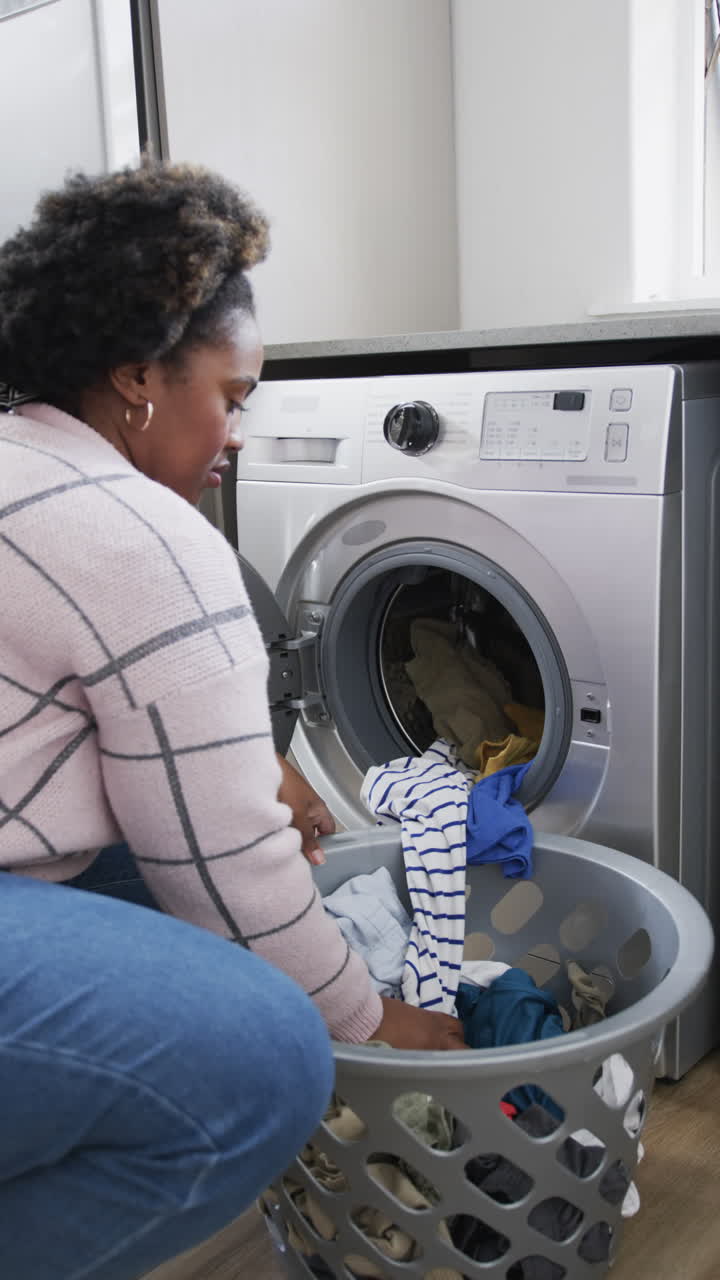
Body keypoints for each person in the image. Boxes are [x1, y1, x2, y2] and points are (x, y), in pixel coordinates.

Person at [0, 161, 465, 1280]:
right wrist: (374, 1016)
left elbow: (78, 723)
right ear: (137, 379)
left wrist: (247, 770)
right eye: (235, 393)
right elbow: (227, 866)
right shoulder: (141, 533)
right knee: (267, 1056)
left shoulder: (27, 467)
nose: (240, 430)